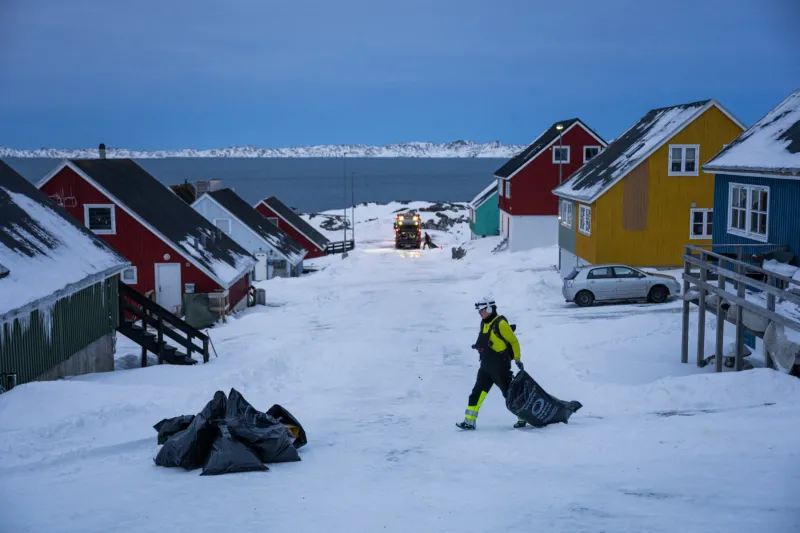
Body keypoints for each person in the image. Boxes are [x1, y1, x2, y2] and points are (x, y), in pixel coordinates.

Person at [456, 296, 527, 430]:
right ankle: (469, 421)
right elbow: (485, 339)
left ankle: (523, 417)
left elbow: (513, 341)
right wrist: (478, 346)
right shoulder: (484, 323)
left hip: (500, 367)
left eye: (481, 310)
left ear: (489, 308)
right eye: (479, 311)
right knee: (476, 393)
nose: (480, 313)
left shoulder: (500, 323)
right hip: (486, 366)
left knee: (509, 394)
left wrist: (517, 358)